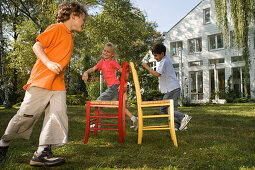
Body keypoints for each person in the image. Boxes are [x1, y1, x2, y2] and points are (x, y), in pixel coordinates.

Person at [0, 2, 87, 167]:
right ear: (74, 15)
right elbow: (37, 45)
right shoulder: (57, 28)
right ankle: (3, 143)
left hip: (58, 84)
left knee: (57, 114)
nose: (84, 22)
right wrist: (48, 63)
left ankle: (41, 152)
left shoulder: (69, 35)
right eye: (83, 18)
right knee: (25, 115)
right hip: (41, 80)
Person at [82, 42, 138, 131]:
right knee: (120, 106)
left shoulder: (113, 62)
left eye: (108, 52)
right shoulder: (101, 63)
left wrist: (122, 84)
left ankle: (98, 126)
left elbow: (124, 73)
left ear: (112, 54)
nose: (105, 53)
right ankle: (134, 119)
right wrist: (86, 72)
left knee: (98, 102)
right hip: (113, 88)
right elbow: (93, 69)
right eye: (104, 50)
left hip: (114, 87)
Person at [141, 43, 192, 131]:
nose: (155, 58)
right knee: (173, 109)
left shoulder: (163, 61)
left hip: (171, 89)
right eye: (154, 56)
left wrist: (147, 67)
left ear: (162, 54)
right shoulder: (165, 60)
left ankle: (183, 117)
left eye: (156, 55)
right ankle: (179, 126)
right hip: (174, 88)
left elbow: (157, 74)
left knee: (163, 109)